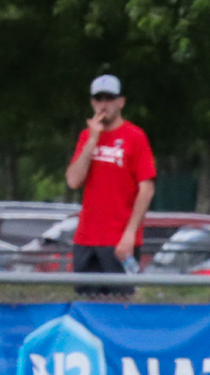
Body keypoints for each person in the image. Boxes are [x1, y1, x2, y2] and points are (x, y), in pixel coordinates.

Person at [65, 74, 156, 295]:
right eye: (99, 99)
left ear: (120, 102)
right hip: (86, 237)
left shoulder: (135, 136)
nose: (103, 105)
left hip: (118, 239)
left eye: (109, 98)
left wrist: (130, 235)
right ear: (92, 103)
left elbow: (146, 189)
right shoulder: (86, 136)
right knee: (86, 302)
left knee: (119, 302)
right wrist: (92, 140)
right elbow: (73, 180)